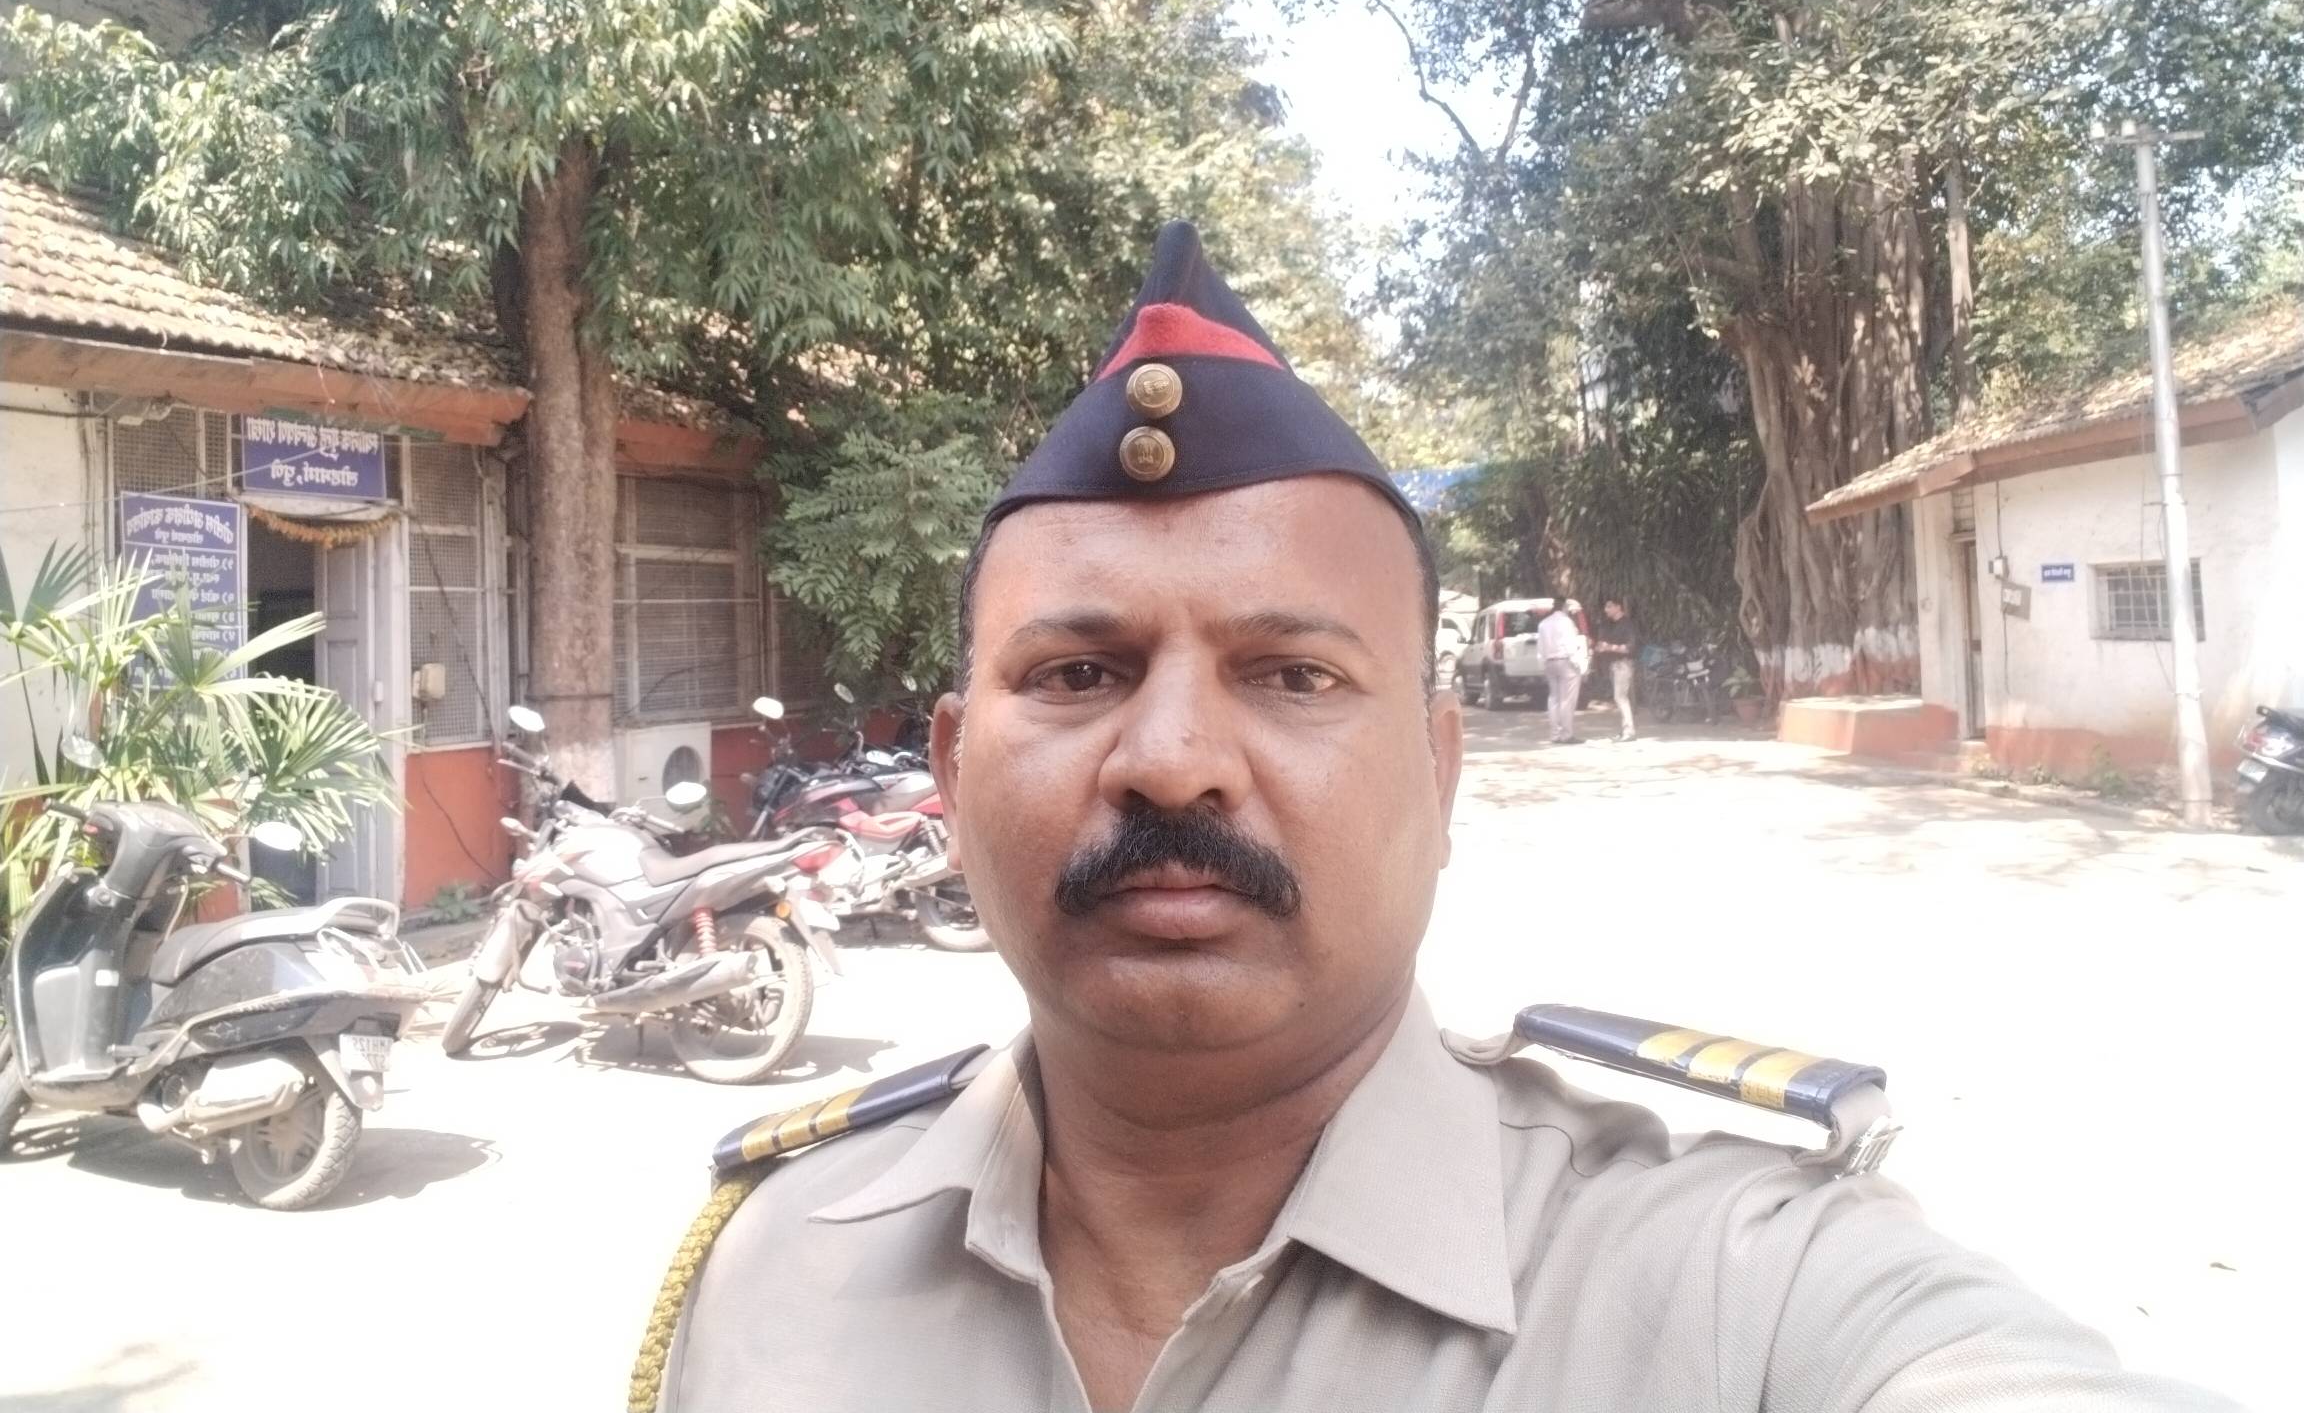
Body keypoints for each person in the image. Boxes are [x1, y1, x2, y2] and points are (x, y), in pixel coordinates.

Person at [636, 221, 2234, 1413]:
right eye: (1076, 673)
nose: (1173, 761)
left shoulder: (1742, 1289)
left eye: (1294, 676)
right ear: (950, 763)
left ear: (1442, 769)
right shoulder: (776, 1264)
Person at [1534, 596, 1587, 744]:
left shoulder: (1543, 624)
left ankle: (1554, 734)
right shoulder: (1566, 622)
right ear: (1565, 607)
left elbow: (1541, 647)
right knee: (1567, 700)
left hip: (1549, 662)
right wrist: (1578, 663)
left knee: (1554, 699)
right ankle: (1567, 734)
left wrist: (1542, 664)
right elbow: (1570, 645)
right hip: (1566, 661)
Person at [1594, 594, 1640, 741]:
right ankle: (1625, 729)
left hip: (1623, 664)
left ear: (1618, 607)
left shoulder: (1627, 624)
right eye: (1605, 607)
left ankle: (1629, 731)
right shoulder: (1609, 624)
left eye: (1609, 606)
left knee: (1621, 697)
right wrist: (1600, 647)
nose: (1606, 610)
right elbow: (1603, 643)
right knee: (1620, 697)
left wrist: (1609, 647)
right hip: (1613, 665)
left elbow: (1630, 648)